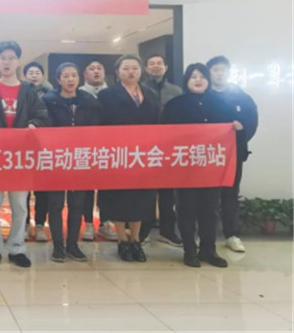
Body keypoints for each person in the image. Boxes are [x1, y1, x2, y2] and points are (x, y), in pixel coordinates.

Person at [0, 41, 50, 269]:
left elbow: (42, 115)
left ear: (18, 61)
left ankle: (17, 248)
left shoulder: (28, 90)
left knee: (20, 205)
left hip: (20, 158)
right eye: (3, 58)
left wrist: (34, 124)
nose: (7, 62)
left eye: (11, 58)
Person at [162, 63, 238, 268]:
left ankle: (208, 250)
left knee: (210, 209)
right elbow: (164, 134)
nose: (198, 80)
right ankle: (189, 250)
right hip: (184, 165)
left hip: (211, 166)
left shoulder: (222, 104)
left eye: (202, 77)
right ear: (186, 81)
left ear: (208, 80)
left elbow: (232, 132)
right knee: (186, 208)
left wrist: (236, 128)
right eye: (193, 77)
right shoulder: (175, 105)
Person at [97, 55, 160, 263]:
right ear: (118, 72)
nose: (131, 72)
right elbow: (100, 125)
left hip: (143, 155)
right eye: (126, 69)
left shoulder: (151, 94)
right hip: (117, 155)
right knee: (119, 197)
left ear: (141, 71)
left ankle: (135, 240)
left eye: (134, 68)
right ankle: (122, 240)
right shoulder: (106, 95)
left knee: (140, 198)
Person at [42, 63, 102, 263]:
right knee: (56, 204)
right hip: (56, 159)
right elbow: (45, 127)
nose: (70, 79)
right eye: (66, 76)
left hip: (80, 159)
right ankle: (58, 246)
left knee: (77, 204)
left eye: (74, 75)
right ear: (58, 79)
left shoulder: (89, 101)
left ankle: (73, 245)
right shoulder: (48, 100)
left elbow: (96, 129)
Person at [207, 55, 259, 253]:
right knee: (208, 195)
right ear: (209, 73)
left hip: (233, 153)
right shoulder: (203, 96)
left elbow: (252, 123)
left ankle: (231, 235)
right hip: (207, 155)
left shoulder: (242, 97)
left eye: (223, 70)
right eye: (215, 70)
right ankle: (207, 234)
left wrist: (241, 130)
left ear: (229, 72)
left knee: (230, 193)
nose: (219, 73)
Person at [140, 54, 183, 247]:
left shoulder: (176, 91)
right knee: (146, 192)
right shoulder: (139, 89)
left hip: (169, 147)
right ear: (146, 68)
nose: (155, 66)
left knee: (168, 193)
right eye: (151, 64)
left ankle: (167, 230)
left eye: (159, 63)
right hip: (145, 148)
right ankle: (143, 231)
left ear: (166, 67)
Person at [78, 60, 117, 242]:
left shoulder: (113, 94)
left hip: (108, 147)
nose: (96, 72)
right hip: (85, 147)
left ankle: (105, 222)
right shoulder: (78, 94)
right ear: (84, 74)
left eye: (99, 69)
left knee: (106, 186)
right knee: (86, 187)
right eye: (91, 69)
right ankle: (87, 222)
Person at [23, 62, 53, 242]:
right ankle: (25, 224)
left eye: (37, 72)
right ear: (25, 76)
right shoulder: (21, 94)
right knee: (23, 190)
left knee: (42, 190)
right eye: (30, 72)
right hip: (24, 148)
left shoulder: (52, 95)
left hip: (44, 148)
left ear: (43, 76)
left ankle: (40, 224)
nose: (34, 75)